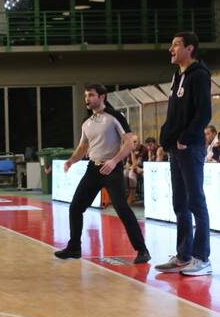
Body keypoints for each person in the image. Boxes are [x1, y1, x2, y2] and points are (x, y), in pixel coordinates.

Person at [54, 84, 150, 264]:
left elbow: (129, 143)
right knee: (75, 207)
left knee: (122, 208)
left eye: (91, 95)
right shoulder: (87, 122)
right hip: (93, 168)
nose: (87, 99)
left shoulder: (115, 117)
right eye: (86, 96)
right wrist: (71, 161)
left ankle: (142, 250)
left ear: (102, 97)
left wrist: (114, 161)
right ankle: (74, 247)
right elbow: (83, 147)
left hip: (112, 169)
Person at [155, 32, 213, 276]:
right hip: (175, 148)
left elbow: (204, 114)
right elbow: (174, 114)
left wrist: (183, 139)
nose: (171, 49)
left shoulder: (199, 75)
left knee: (195, 202)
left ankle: (202, 258)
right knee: (180, 203)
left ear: (189, 49)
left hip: (190, 148)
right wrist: (166, 138)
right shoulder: (177, 75)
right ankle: (183, 255)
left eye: (176, 45)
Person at [124, 135, 146, 204]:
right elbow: (127, 164)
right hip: (134, 169)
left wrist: (132, 153)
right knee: (124, 173)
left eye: (135, 142)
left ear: (139, 142)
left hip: (142, 169)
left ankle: (132, 195)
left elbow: (136, 164)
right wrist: (130, 167)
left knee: (131, 174)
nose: (134, 143)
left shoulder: (143, 149)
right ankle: (125, 193)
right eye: (133, 142)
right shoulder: (130, 149)